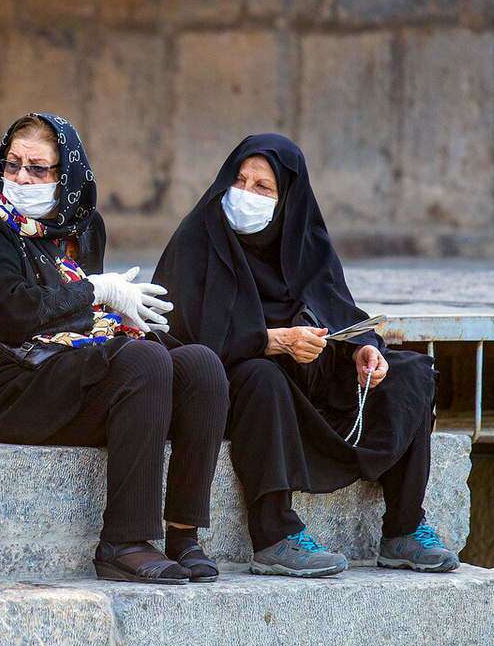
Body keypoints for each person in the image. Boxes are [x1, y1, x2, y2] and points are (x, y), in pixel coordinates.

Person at [0, 113, 227, 585]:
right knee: (143, 361)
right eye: (12, 165)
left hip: (66, 370)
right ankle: (124, 543)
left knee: (200, 365)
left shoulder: (83, 225)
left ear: (65, 173)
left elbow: (75, 316)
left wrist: (113, 316)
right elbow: (11, 316)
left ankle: (184, 534)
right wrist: (94, 291)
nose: (22, 178)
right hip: (10, 383)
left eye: (37, 168)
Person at [153, 133, 460, 578]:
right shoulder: (198, 238)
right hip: (238, 384)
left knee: (411, 370)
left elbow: (338, 309)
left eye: (263, 187)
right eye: (239, 180)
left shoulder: (305, 242)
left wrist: (363, 349)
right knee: (261, 376)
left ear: (288, 200)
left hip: (309, 378)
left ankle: (405, 528)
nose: (245, 194)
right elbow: (185, 334)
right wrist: (271, 340)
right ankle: (274, 535)